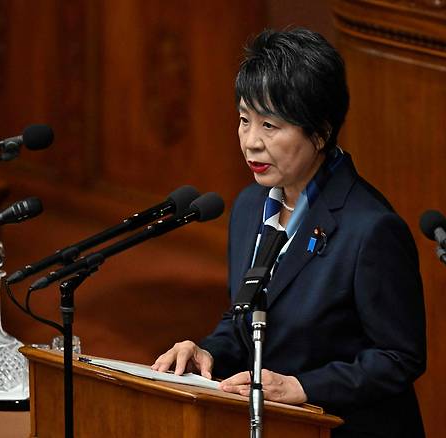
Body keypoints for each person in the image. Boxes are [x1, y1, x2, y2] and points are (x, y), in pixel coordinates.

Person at [153, 28, 426, 437]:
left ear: (319, 133)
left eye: (270, 125)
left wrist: (303, 387)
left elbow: (399, 357)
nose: (251, 143)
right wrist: (206, 351)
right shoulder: (249, 207)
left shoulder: (371, 229)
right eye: (245, 120)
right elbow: (245, 316)